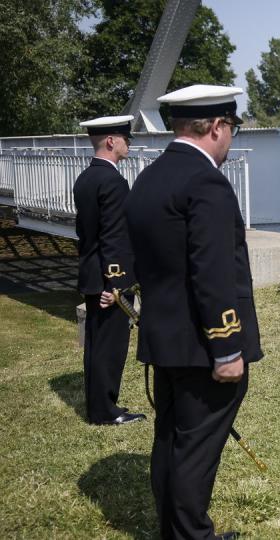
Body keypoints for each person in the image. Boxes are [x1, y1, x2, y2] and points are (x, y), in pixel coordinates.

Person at [125, 85, 261, 540]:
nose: (231, 140)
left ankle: (175, 531)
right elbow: (214, 273)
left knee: (170, 440)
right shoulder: (206, 183)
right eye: (232, 130)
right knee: (196, 450)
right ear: (218, 126)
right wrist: (226, 349)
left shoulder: (150, 176)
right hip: (204, 346)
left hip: (165, 337)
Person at [73, 115, 145, 426]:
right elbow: (113, 237)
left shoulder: (86, 178)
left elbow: (87, 233)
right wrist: (115, 285)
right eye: (126, 139)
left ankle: (98, 405)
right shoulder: (113, 182)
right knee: (109, 346)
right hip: (108, 281)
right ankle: (105, 410)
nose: (129, 144)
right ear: (112, 141)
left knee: (95, 343)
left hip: (92, 272)